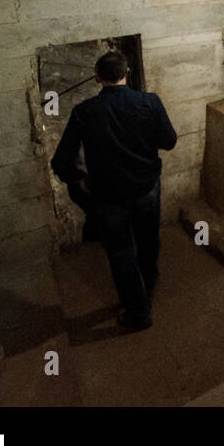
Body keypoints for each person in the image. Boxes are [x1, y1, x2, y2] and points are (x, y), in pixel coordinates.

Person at [51, 51, 177, 331]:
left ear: (97, 78)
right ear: (127, 72)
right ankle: (148, 287)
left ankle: (138, 311)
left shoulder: (84, 112)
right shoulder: (150, 102)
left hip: (109, 195)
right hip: (146, 187)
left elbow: (61, 161)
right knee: (147, 240)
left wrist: (78, 181)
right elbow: (169, 141)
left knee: (121, 252)